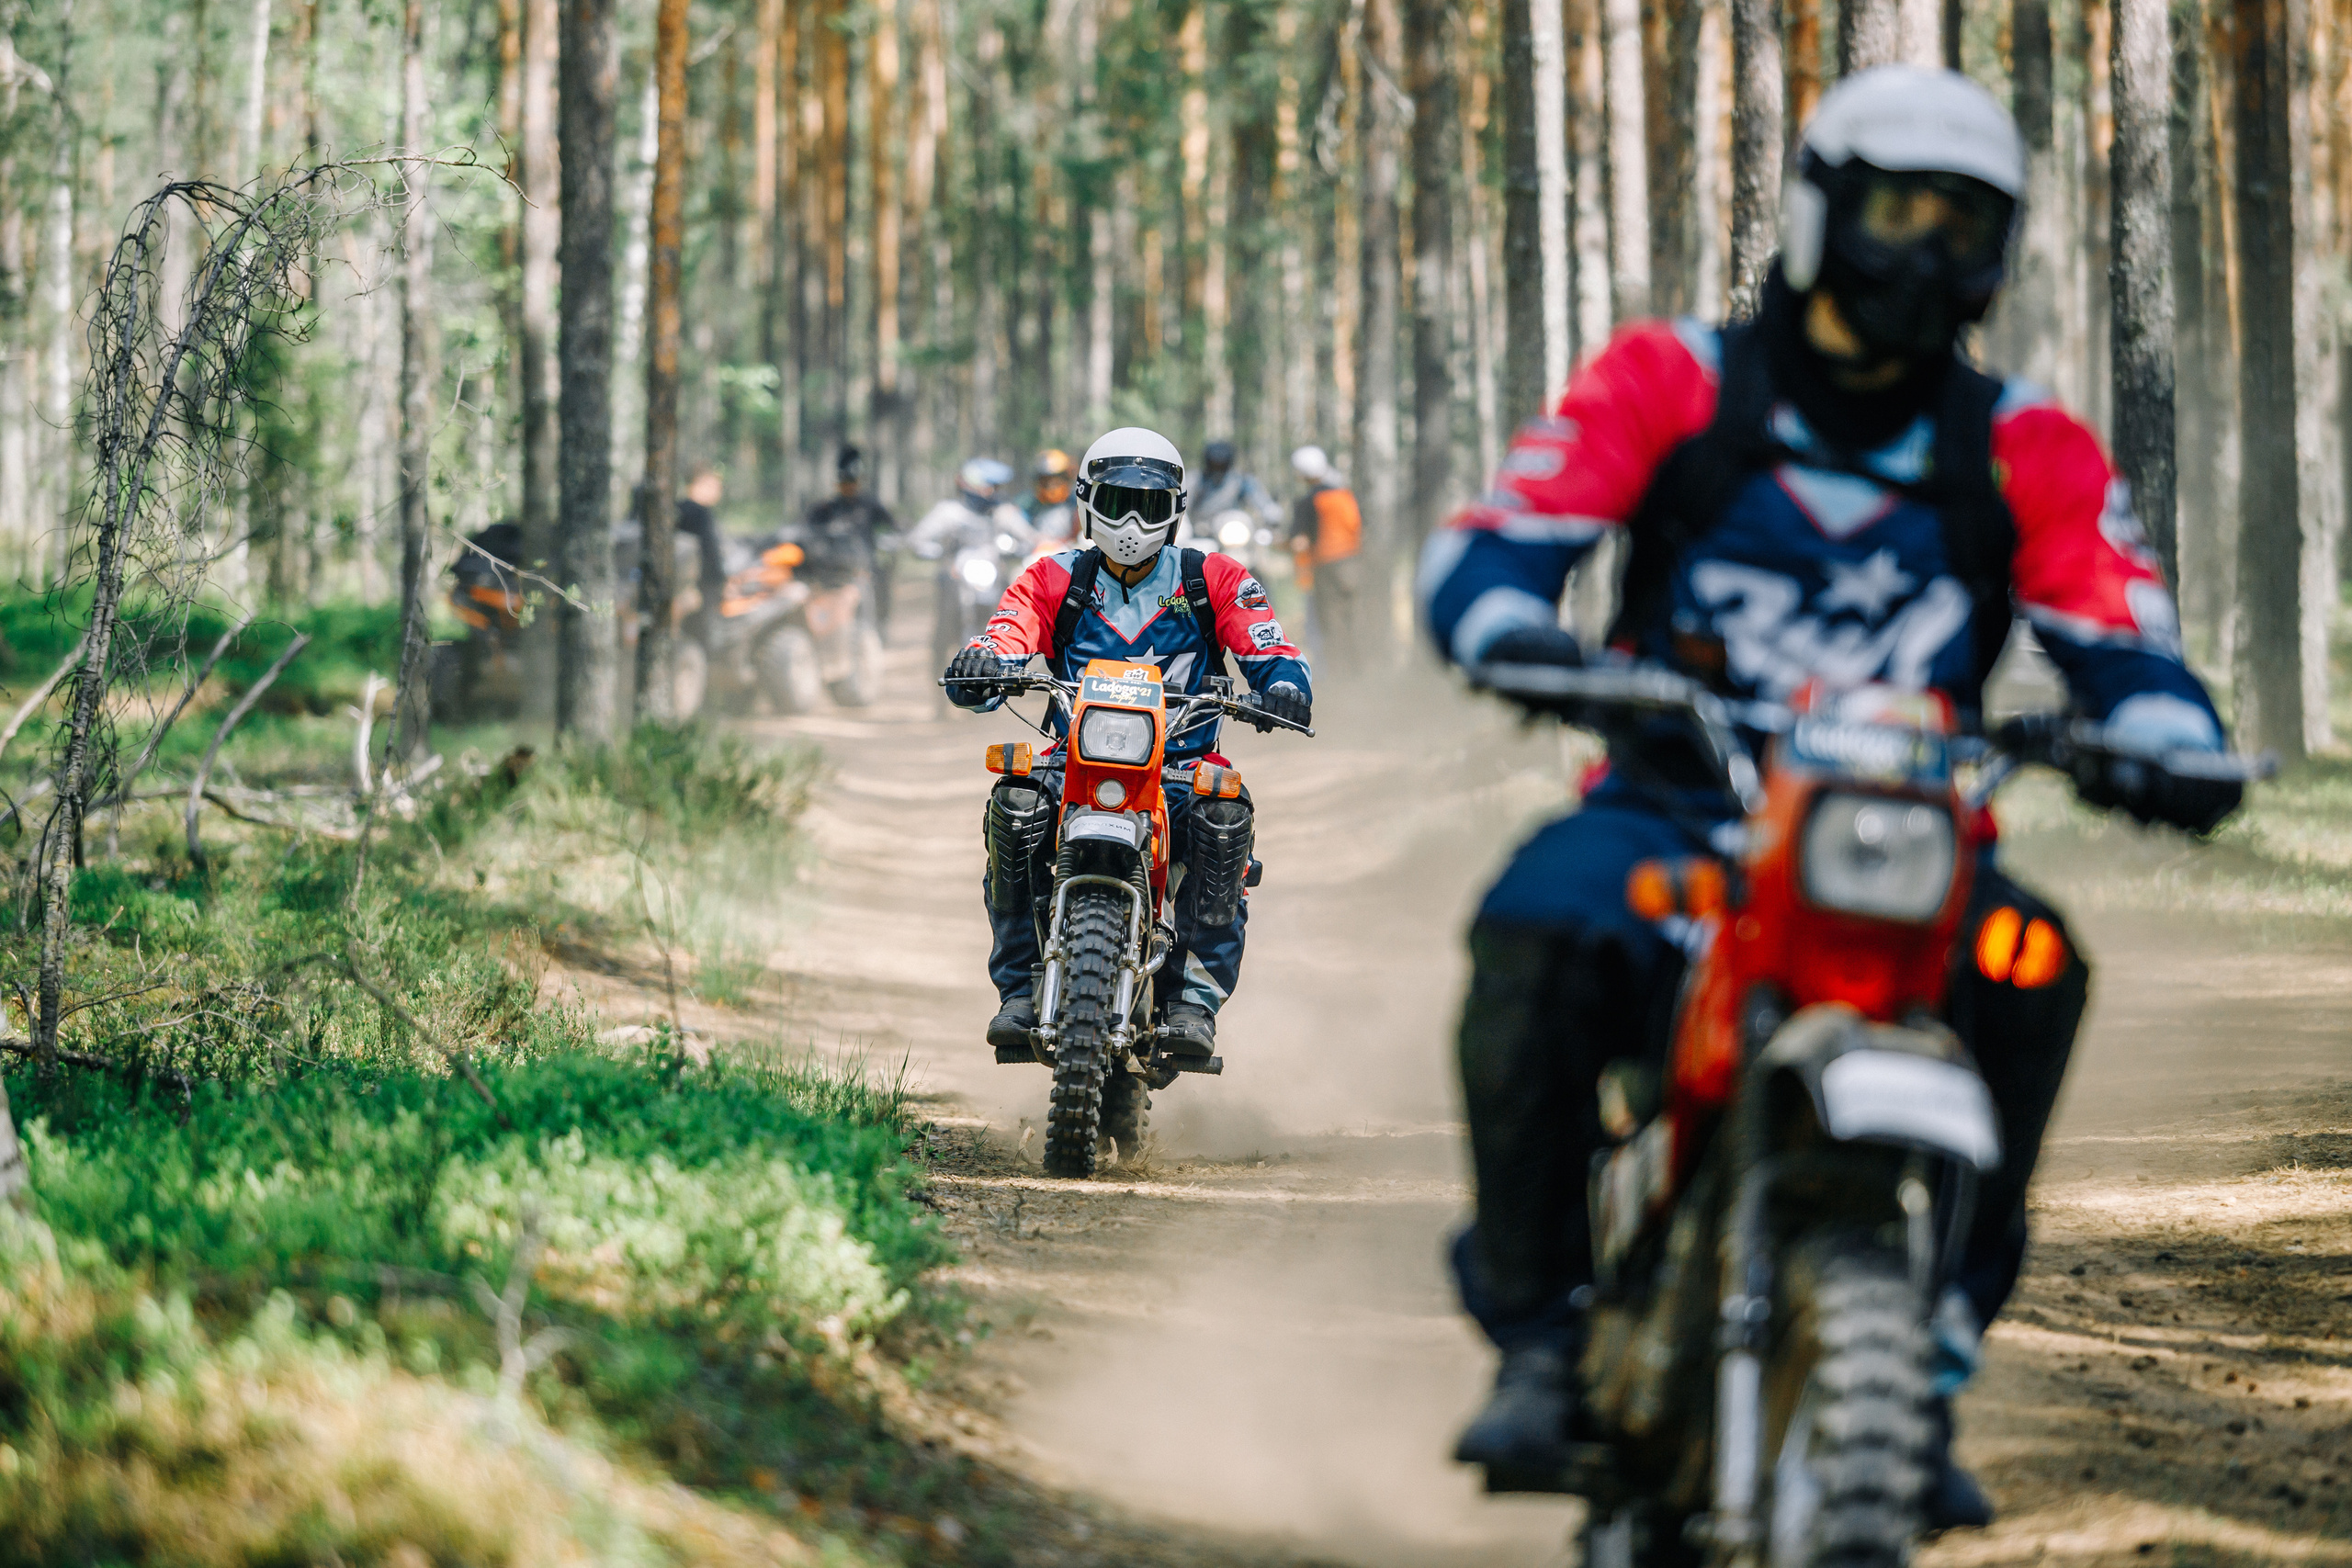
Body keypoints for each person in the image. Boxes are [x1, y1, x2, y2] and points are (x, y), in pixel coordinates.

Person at [1419, 66, 2243, 1529]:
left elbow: (2119, 625)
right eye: (1894, 214)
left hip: (1909, 838)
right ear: (1817, 212)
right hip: (1680, 806)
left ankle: (1929, 1339)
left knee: (2034, 968)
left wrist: (2166, 733)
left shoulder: (2023, 442)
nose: (1924, 258)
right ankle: (1540, 1327)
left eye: (1964, 228)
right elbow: (1506, 533)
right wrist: (1508, 623)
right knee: (1538, 922)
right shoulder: (1675, 380)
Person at [943, 428, 1312, 1059]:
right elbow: (1004, 635)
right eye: (1116, 503)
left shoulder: (1203, 580)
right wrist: (983, 661)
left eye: (1149, 504)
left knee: (1224, 819)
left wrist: (1282, 685)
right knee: (1016, 808)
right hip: (1073, 758)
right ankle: (1020, 987)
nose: (1133, 521)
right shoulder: (1054, 579)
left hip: (1184, 760)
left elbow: (1272, 648)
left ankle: (1195, 996)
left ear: (1177, 507)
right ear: (1087, 504)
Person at [799, 446, 900, 632]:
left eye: (852, 481)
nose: (849, 485)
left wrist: (893, 540)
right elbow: (806, 530)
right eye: (845, 481)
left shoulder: (869, 505)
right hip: (830, 573)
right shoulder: (825, 509)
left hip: (863, 571)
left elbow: (893, 527)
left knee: (878, 590)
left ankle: (876, 630)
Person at [1285, 446, 1365, 668]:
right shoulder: (1344, 495)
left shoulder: (1309, 501)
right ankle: (1359, 668)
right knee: (1353, 620)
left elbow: (1299, 541)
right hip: (1352, 566)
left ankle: (1336, 673)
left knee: (1329, 623)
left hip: (1325, 570)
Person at [673, 468, 730, 637]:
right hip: (700, 586)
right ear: (699, 483)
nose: (717, 492)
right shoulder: (701, 513)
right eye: (714, 486)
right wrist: (723, 581)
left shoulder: (676, 508)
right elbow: (711, 553)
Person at [1188, 439, 1283, 540]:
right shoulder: (1195, 480)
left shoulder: (1241, 480)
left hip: (1231, 529)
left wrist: (1272, 514)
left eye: (1222, 464)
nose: (1218, 468)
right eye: (1214, 464)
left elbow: (1260, 500)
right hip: (1200, 531)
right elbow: (1182, 502)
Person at [1024, 448, 1080, 549]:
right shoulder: (1032, 503)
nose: (1050, 487)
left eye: (1055, 482)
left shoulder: (1075, 503)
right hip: (1036, 551)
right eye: (1045, 482)